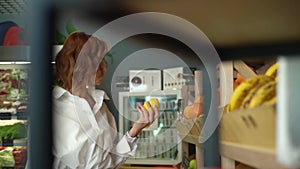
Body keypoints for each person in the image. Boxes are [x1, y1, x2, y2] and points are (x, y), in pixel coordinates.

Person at [52, 32, 160, 168]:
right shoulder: (54, 110)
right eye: (99, 61)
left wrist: (136, 129)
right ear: (83, 65)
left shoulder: (100, 105)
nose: (105, 68)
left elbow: (111, 160)